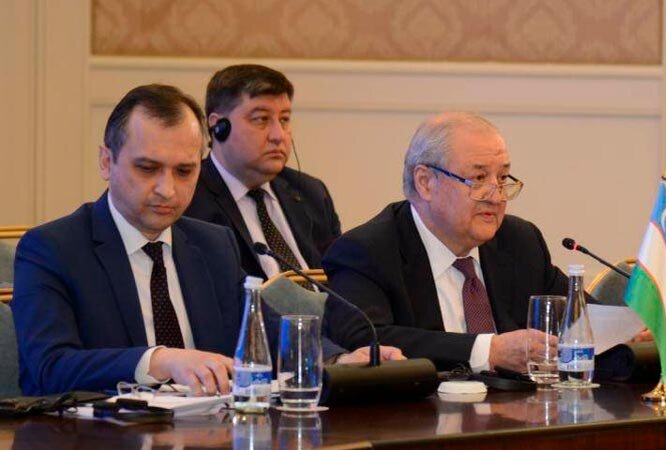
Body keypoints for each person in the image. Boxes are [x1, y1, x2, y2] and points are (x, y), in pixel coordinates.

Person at [13, 84, 398, 396]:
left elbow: (265, 332)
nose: (167, 189)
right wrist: (161, 360)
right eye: (147, 168)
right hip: (102, 449)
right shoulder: (53, 249)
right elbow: (48, 368)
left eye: (184, 171)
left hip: (211, 438)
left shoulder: (213, 244)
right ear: (105, 161)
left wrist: (335, 360)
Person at [322, 112, 569, 372]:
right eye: (479, 178)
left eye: (502, 178)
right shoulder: (366, 251)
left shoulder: (519, 240)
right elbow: (367, 339)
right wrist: (488, 351)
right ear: (425, 183)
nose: (497, 197)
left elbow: (579, 318)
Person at [184, 64, 341, 278]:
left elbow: (342, 276)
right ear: (218, 126)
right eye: (261, 119)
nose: (278, 135)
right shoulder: (190, 198)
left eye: (284, 119)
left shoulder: (310, 192)